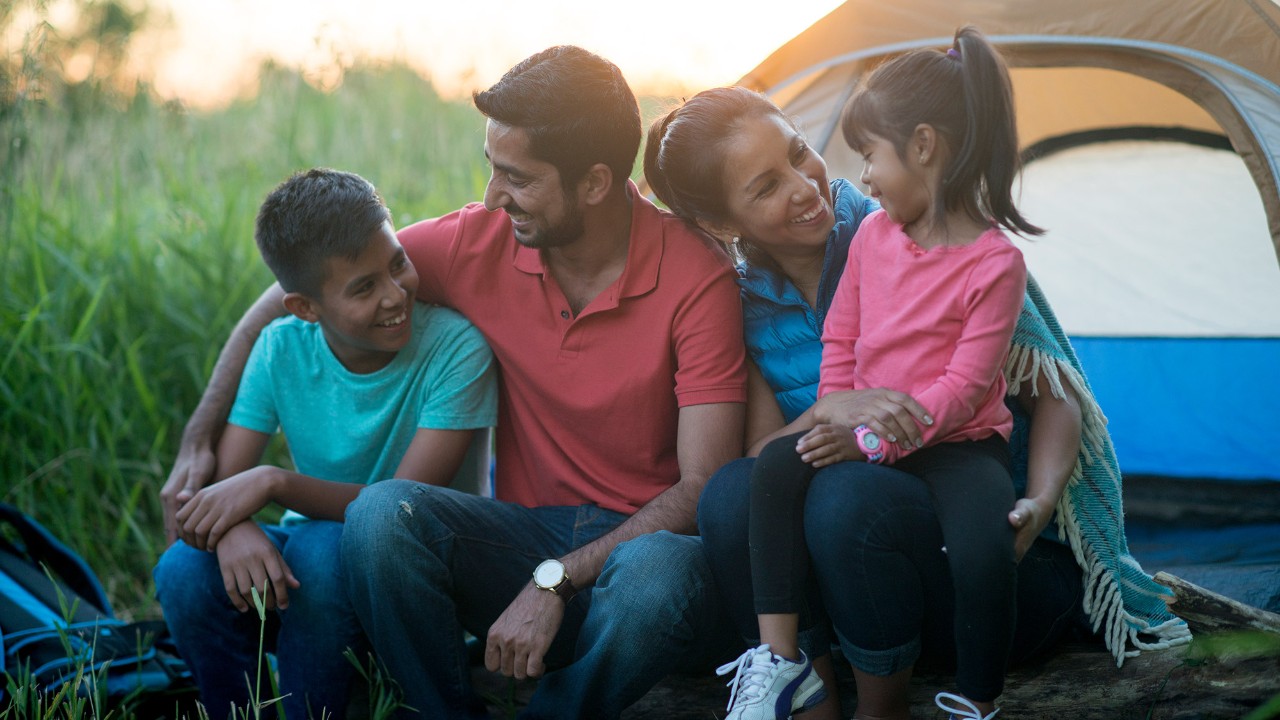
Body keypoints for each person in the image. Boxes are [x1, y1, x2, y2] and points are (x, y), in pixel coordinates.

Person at [159, 46, 748, 719]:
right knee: (384, 513)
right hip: (518, 536)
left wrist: (554, 584)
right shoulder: (484, 239)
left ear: (593, 182)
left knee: (664, 575)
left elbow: (703, 487)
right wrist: (200, 437)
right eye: (494, 170)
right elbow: (293, 296)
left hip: (642, 556)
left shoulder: (696, 277)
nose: (495, 195)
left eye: (517, 178)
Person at [644, 37, 1189, 720]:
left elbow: (1058, 401)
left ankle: (887, 711)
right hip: (866, 577)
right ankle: (803, 695)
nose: (806, 184)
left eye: (796, 151)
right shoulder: (741, 304)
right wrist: (837, 410)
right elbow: (762, 458)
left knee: (844, 497)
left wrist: (1041, 502)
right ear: (723, 222)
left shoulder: (924, 232)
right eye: (766, 186)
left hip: (985, 557)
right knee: (731, 496)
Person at [153, 168, 499, 720]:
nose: (395, 294)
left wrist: (275, 482)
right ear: (305, 308)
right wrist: (233, 527)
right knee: (181, 570)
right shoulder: (281, 348)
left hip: (409, 571)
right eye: (363, 287)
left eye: (396, 264)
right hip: (315, 559)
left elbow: (398, 505)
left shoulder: (455, 349)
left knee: (321, 552)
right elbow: (224, 484)